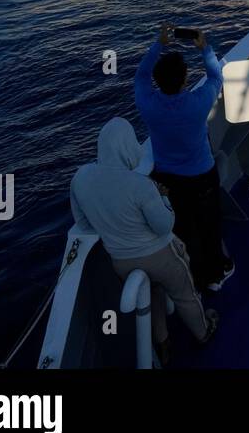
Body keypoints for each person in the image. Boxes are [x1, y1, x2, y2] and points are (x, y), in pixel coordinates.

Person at [71, 117, 218, 360]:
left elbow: (83, 222)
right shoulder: (140, 185)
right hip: (161, 257)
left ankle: (163, 343)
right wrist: (163, 199)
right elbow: (164, 226)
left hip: (121, 262)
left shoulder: (81, 178)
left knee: (152, 293)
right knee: (185, 294)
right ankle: (203, 332)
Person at [135, 24, 233, 291]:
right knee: (209, 224)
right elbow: (215, 77)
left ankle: (193, 275)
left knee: (184, 229)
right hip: (201, 176)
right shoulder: (197, 103)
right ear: (184, 78)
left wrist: (158, 45)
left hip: (168, 180)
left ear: (159, 80)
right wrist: (205, 49)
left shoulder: (149, 105)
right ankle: (215, 275)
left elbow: (141, 77)